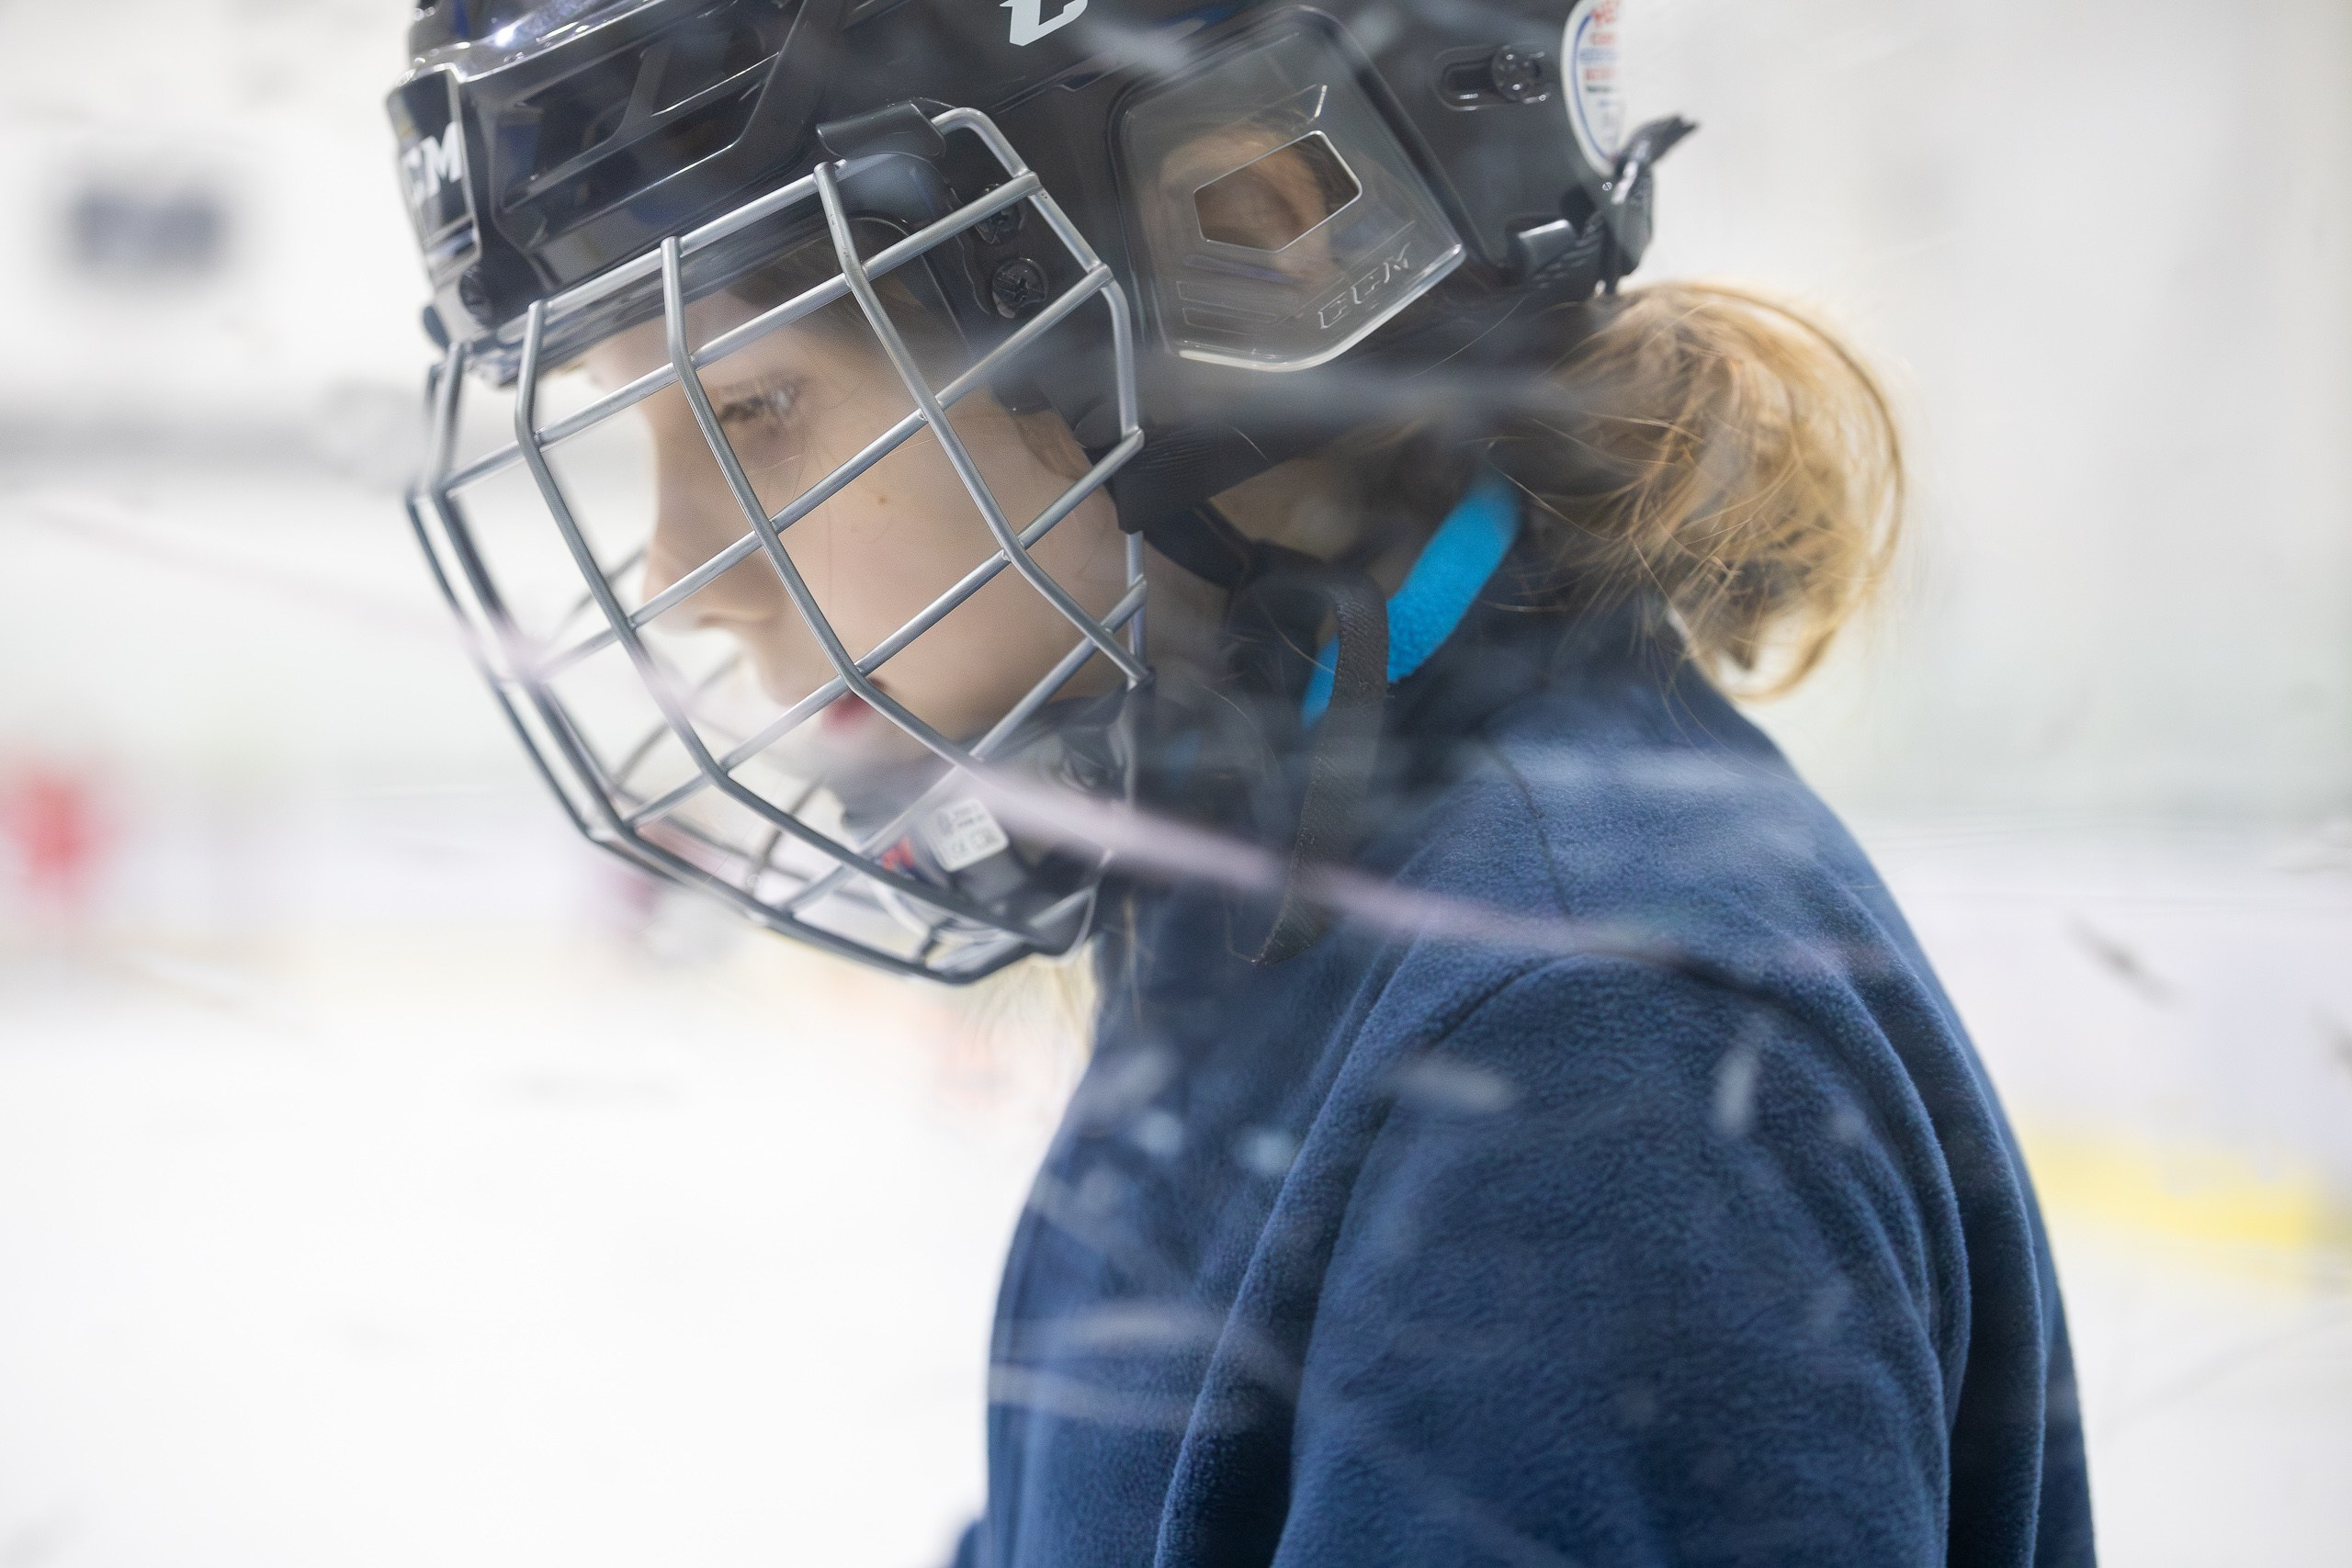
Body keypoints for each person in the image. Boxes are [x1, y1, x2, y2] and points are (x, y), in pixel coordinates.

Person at [386, 1, 2095, 1562]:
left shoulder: (1583, 1045)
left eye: (751, 406)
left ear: (1252, 240)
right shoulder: (1269, 868)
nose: (683, 565)